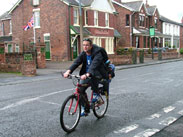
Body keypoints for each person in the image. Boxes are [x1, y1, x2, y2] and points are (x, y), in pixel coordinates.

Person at [63, 38, 109, 116]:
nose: (85, 47)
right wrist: (68, 71)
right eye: (84, 45)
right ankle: (86, 109)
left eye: (87, 45)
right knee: (80, 91)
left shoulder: (97, 53)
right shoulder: (84, 53)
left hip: (98, 73)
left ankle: (96, 93)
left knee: (94, 78)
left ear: (91, 46)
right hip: (86, 74)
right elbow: (76, 62)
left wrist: (87, 74)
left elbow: (94, 65)